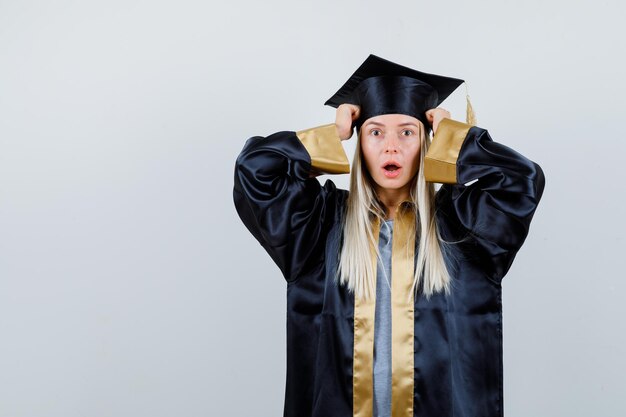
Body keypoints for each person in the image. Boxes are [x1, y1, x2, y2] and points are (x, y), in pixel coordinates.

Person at [232, 54, 545, 417]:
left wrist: (454, 140)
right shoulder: (320, 226)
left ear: (428, 143)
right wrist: (332, 135)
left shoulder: (461, 228)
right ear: (359, 143)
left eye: (407, 132)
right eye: (376, 132)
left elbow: (522, 181)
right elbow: (254, 171)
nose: (391, 146)